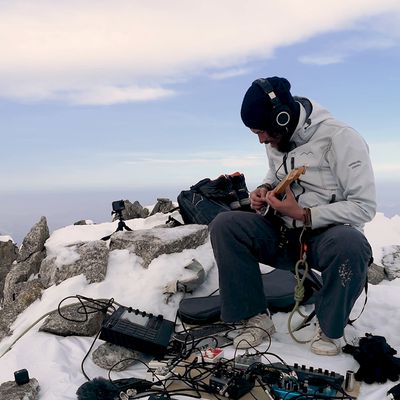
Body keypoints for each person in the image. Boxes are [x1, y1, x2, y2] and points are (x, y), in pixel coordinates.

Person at [209, 76, 376, 355]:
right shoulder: (278, 136)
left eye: (263, 132)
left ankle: (329, 327)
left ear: (283, 118)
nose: (262, 139)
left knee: (352, 245)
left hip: (328, 239)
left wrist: (304, 214)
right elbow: (275, 173)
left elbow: (364, 206)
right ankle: (255, 318)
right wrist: (263, 190)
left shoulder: (341, 138)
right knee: (226, 224)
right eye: (256, 133)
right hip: (285, 233)